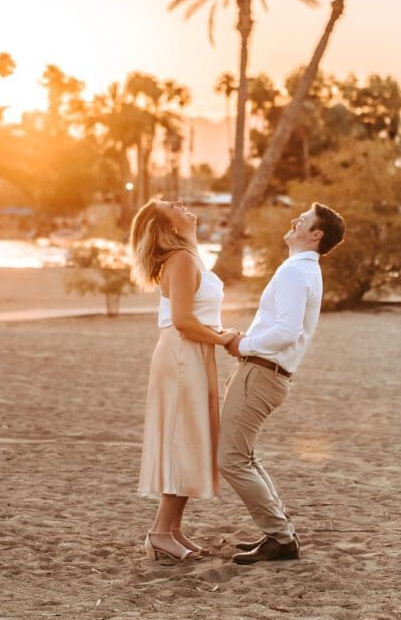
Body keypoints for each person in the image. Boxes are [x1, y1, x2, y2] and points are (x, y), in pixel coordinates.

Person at [218, 202, 345, 565]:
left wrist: (244, 344)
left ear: (316, 234)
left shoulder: (296, 272)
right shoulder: (305, 271)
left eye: (303, 220)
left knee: (230, 460)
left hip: (261, 373)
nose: (295, 221)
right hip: (266, 373)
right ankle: (280, 530)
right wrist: (245, 342)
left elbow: (287, 332)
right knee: (245, 456)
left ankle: (280, 537)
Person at [130, 198, 238, 562]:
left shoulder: (189, 257)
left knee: (190, 437)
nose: (183, 204)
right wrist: (223, 339)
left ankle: (174, 530)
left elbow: (198, 315)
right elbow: (182, 319)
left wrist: (220, 336)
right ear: (170, 227)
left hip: (193, 352)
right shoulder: (181, 259)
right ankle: (160, 533)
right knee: (183, 439)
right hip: (181, 353)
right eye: (173, 205)